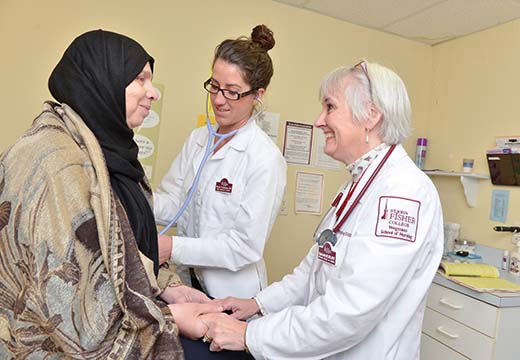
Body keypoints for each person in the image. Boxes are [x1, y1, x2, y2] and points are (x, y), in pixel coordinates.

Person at [0, 29, 224, 359]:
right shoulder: (53, 161)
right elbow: (67, 307)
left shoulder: (112, 156)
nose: (153, 93)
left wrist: (169, 289)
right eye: (139, 79)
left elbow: (130, 248)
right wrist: (169, 317)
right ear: (101, 80)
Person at [201, 60, 444, 359]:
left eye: (330, 107)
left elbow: (349, 312)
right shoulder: (358, 184)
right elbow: (313, 270)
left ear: (371, 116)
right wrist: (258, 304)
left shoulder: (404, 193)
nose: (319, 121)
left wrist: (250, 334)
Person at [154, 25, 287, 299]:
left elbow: (244, 247)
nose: (218, 99)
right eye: (214, 86)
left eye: (232, 91)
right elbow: (174, 203)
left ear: (258, 95)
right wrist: (130, 198)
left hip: (232, 296)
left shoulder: (265, 158)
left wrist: (172, 247)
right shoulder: (198, 140)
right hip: (186, 283)